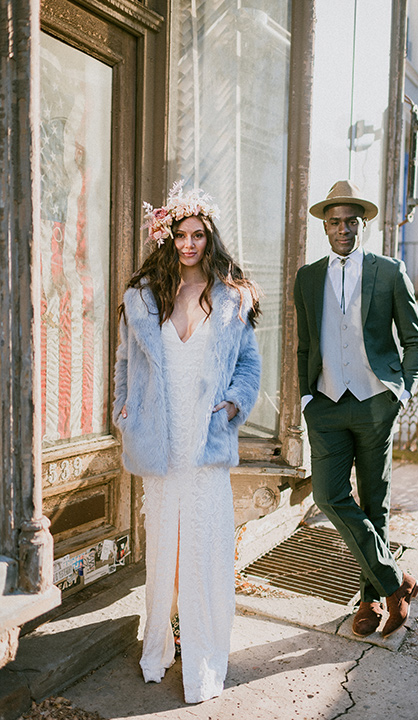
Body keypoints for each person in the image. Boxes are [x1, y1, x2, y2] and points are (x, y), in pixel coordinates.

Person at [113, 181, 261, 703]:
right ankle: (158, 648)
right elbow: (126, 363)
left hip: (206, 441)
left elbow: (249, 363)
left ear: (210, 237)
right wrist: (122, 409)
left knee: (204, 553)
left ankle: (202, 661)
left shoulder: (230, 298)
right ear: (168, 236)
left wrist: (235, 401)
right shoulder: (145, 296)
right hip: (161, 441)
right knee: (163, 557)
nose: (189, 243)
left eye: (198, 234)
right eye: (181, 234)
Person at [294, 180, 418, 639]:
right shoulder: (308, 277)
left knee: (375, 503)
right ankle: (397, 583)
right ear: (324, 226)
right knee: (329, 497)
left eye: (352, 221)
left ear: (362, 224)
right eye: (335, 222)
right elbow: (305, 343)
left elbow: (414, 340)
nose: (343, 229)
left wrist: (402, 393)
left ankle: (369, 598)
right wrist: (307, 397)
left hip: (375, 403)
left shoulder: (389, 271)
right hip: (326, 405)